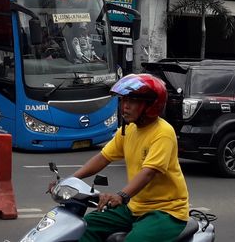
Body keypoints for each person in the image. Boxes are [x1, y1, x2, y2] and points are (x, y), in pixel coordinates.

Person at [72, 74, 189, 242]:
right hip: (134, 207)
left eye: (132, 101)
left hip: (165, 211)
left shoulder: (163, 133)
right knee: (84, 226)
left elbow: (148, 172)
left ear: (151, 105)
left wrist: (121, 195)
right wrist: (71, 180)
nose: (125, 106)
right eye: (123, 100)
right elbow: (103, 158)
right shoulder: (128, 130)